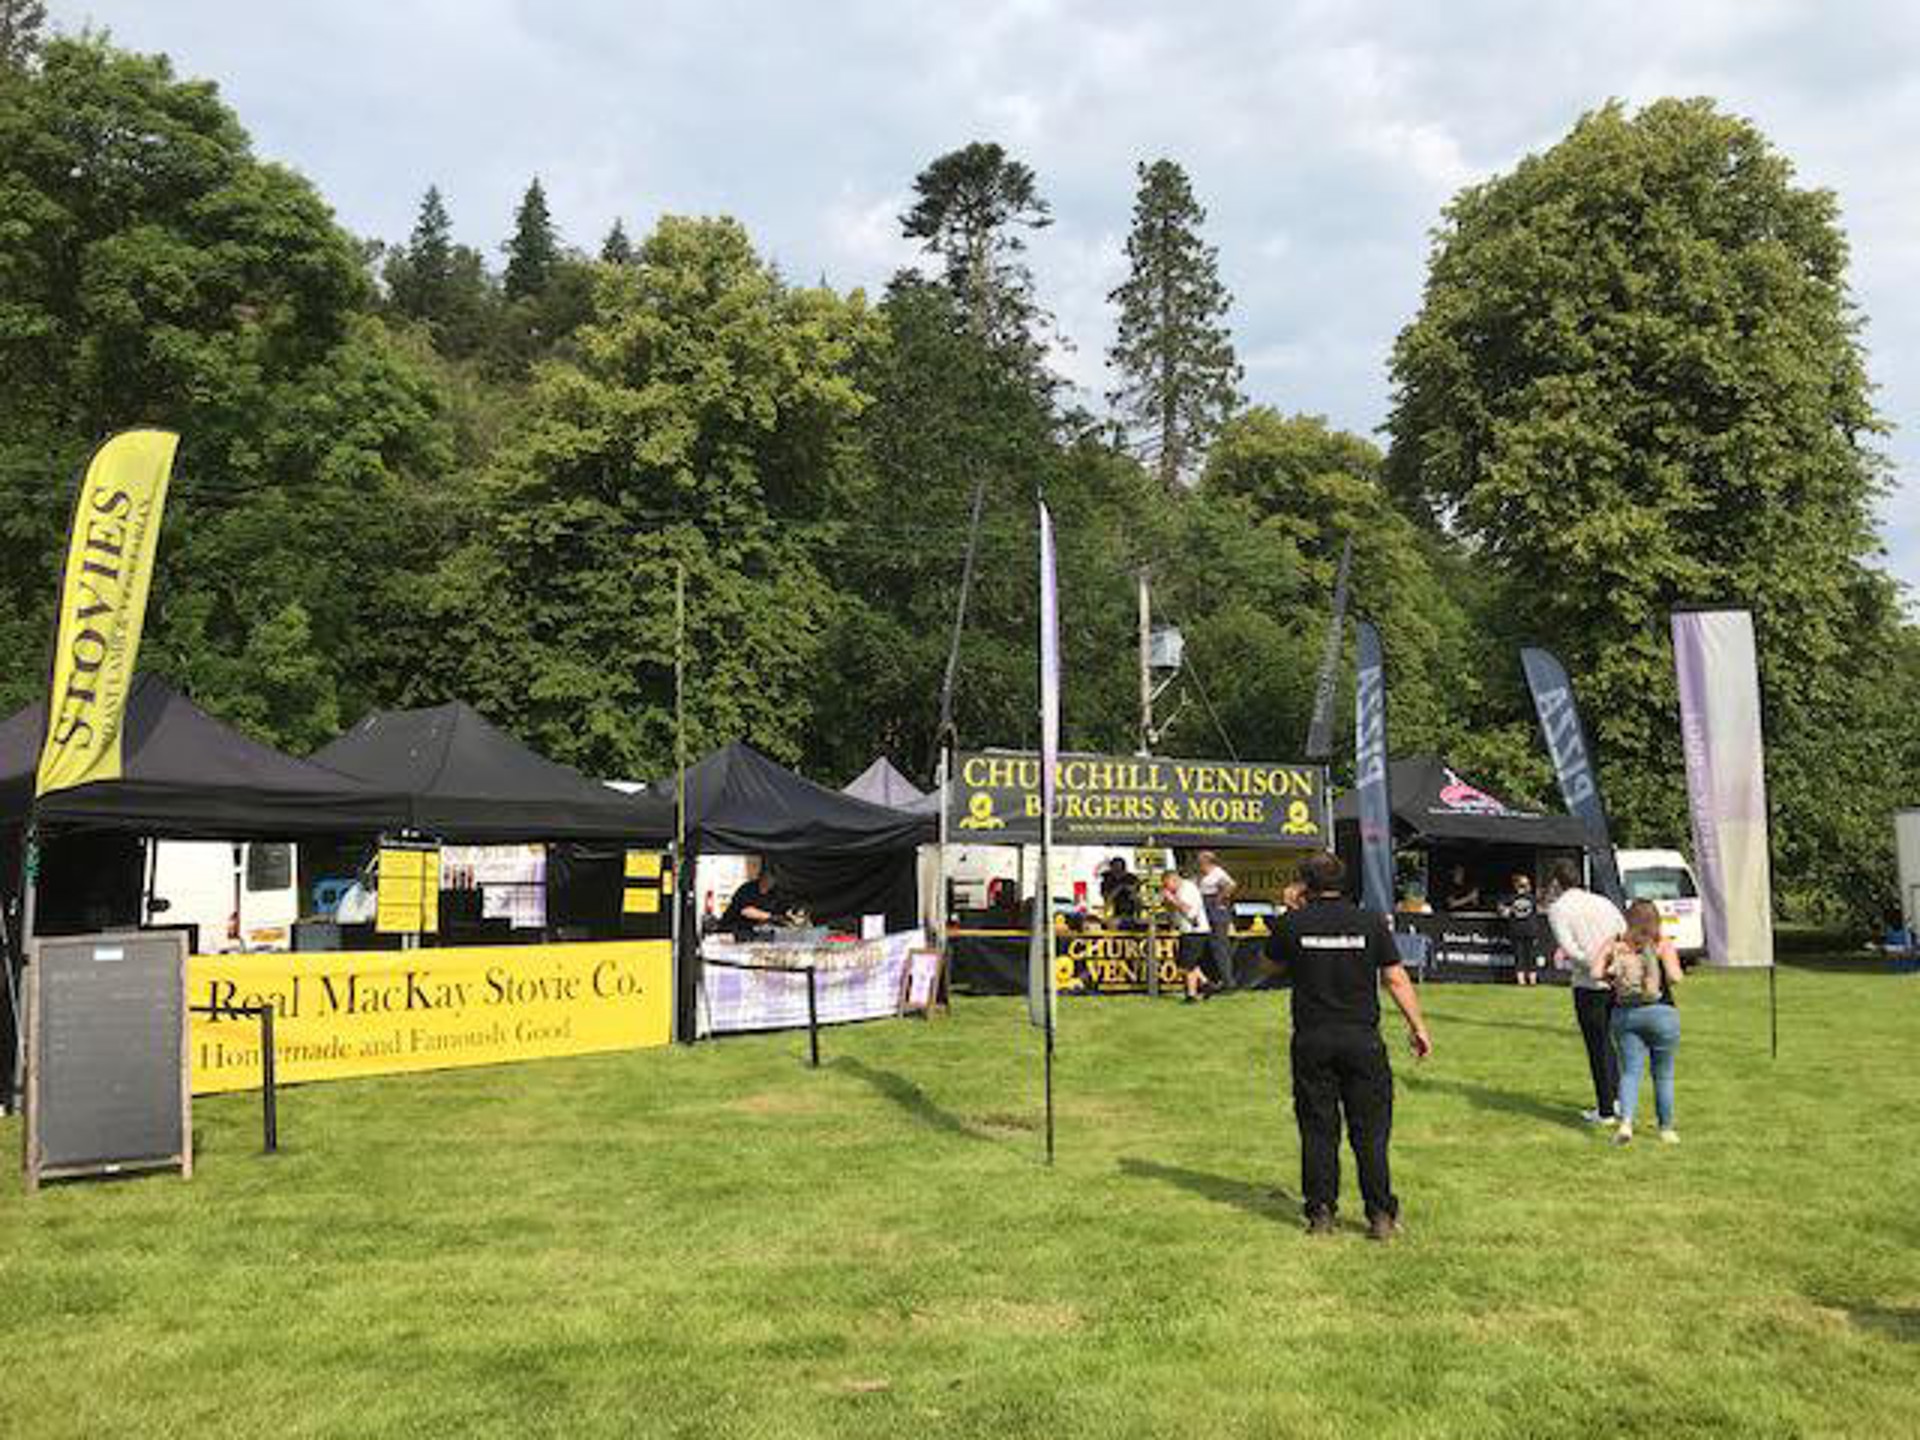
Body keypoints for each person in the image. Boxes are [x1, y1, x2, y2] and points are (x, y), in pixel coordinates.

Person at [1265, 850, 1433, 1240]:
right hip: (1362, 1038)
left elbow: (1268, 966)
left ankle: (1321, 1213)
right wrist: (1418, 1026)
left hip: (1313, 1038)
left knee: (1317, 1128)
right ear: (1343, 882)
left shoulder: (1292, 923)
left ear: (1305, 884)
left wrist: (1292, 917)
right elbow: (1395, 979)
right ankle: (1380, 1216)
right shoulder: (1369, 921)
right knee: (1371, 1131)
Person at [1593, 899, 1684, 1145]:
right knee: (1663, 1074)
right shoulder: (1662, 944)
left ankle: (1626, 1124)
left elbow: (1595, 973)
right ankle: (1666, 1129)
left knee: (1630, 1073)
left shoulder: (1617, 943)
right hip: (1661, 1013)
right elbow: (1676, 977)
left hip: (1625, 1014)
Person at [1546, 858, 1625, 1125]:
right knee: (1609, 1043)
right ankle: (1615, 1100)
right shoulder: (1603, 902)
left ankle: (1605, 1110)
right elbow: (1622, 933)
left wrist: (1596, 965)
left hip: (1590, 983)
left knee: (1598, 1046)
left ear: (1557, 881)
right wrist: (1613, 963)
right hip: (1616, 978)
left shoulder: (1558, 909)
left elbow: (1569, 948)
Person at [1161, 869, 1212, 1001]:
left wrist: (1173, 900)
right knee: (1187, 963)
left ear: (1174, 879)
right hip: (1186, 931)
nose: (1166, 888)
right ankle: (1206, 984)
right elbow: (1174, 912)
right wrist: (1168, 903)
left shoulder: (1188, 889)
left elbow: (1189, 912)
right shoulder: (1179, 891)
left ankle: (1191, 995)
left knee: (1186, 966)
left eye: (1167, 885)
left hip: (1196, 931)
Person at [1196, 851, 1239, 991]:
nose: (1198, 864)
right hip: (1207, 909)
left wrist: (1219, 900)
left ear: (1207, 862)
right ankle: (1221, 979)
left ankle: (1228, 982)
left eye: (1199, 861)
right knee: (1214, 947)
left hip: (1216, 912)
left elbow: (1231, 885)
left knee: (1220, 947)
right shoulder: (1204, 875)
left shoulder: (1218, 873)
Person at [719, 860, 794, 939]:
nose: (772, 880)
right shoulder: (747, 889)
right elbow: (746, 911)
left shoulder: (774, 893)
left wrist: (787, 916)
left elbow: (781, 910)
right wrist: (771, 917)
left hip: (751, 932)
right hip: (731, 931)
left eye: (775, 877)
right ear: (761, 876)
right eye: (769, 876)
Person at [1502, 873, 1541, 986]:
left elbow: (1503, 911)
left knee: (1522, 957)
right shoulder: (1530, 898)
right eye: (1526, 884)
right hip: (1525, 930)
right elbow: (1502, 910)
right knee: (1528, 956)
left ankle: (1524, 981)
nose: (1528, 886)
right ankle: (1527, 981)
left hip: (1522, 930)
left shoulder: (1512, 898)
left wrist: (1508, 910)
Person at [1099, 857, 1141, 925]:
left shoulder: (1131, 878)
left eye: (1119, 868)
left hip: (1130, 913)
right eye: (1115, 867)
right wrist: (1120, 888)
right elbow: (1107, 898)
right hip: (1112, 912)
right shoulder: (1107, 880)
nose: (1117, 870)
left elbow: (1136, 896)